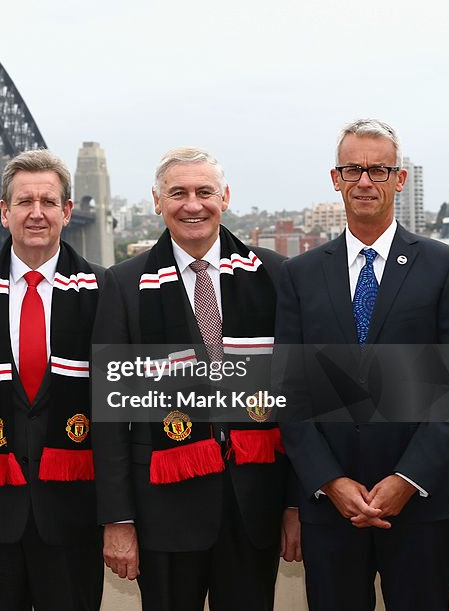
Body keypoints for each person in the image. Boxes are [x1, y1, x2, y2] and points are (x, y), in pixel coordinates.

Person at [276, 119, 449, 610]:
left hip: (422, 499)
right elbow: (287, 389)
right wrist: (330, 481)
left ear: (399, 179)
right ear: (336, 177)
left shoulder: (445, 266)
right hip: (331, 506)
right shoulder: (299, 275)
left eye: (378, 169)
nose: (365, 180)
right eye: (353, 169)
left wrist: (405, 480)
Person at [93, 147, 300, 611]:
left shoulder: (274, 276)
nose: (193, 204)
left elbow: (297, 402)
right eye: (178, 193)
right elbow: (108, 419)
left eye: (205, 191)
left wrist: (295, 505)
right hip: (163, 509)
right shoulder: (124, 285)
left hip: (255, 505)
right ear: (156, 201)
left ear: (224, 197)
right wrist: (118, 520)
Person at [0, 150, 105, 611]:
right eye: (25, 201)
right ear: (4, 211)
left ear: (67, 212)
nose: (36, 213)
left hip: (74, 511)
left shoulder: (104, 288)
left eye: (49, 202)